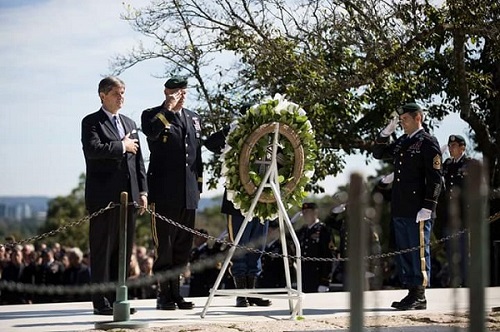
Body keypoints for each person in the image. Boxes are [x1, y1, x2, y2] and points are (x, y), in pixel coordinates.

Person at [81, 76, 148, 315]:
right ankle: (101, 302)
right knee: (102, 250)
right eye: (117, 93)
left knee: (123, 250)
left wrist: (142, 191)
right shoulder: (91, 122)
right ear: (103, 95)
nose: (122, 98)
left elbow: (139, 161)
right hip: (104, 199)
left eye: (123, 93)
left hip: (128, 198)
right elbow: (93, 150)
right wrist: (122, 146)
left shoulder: (129, 122)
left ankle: (119, 298)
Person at [372, 102, 442, 310]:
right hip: (401, 205)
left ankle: (420, 294)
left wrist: (428, 206)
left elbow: (436, 178)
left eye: (405, 120)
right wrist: (385, 133)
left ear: (418, 117)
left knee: (418, 251)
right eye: (400, 120)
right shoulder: (404, 141)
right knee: (404, 251)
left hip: (419, 208)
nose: (402, 123)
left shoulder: (427, 142)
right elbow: (378, 153)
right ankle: (411, 292)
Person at [141, 76, 203, 310]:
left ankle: (176, 293)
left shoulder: (194, 118)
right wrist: (167, 108)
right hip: (163, 193)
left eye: (184, 91)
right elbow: (152, 134)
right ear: (167, 92)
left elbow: (197, 157)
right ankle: (164, 294)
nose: (182, 95)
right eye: (177, 91)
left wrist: (197, 187)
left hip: (188, 193)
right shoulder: (152, 114)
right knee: (164, 247)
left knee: (182, 246)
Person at [204, 110, 272, 307]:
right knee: (240, 248)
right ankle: (242, 293)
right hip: (238, 201)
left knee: (257, 248)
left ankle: (253, 291)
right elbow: (210, 143)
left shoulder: (269, 139)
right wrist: (233, 130)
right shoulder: (236, 134)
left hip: (262, 200)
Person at [437, 134, 473, 287]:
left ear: (462, 148)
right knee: (451, 251)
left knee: (464, 251)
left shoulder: (469, 164)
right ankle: (454, 279)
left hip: (464, 216)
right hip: (449, 216)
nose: (451, 148)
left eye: (454, 146)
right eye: (450, 146)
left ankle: (465, 281)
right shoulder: (447, 164)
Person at [296, 202, 334, 293]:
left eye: (308, 212)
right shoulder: (303, 230)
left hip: (318, 276)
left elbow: (328, 255)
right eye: (303, 212)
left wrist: (325, 281)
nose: (305, 214)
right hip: (304, 277)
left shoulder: (323, 230)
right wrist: (292, 222)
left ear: (315, 212)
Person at [188, 229, 219, 297]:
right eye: (194, 237)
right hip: (194, 285)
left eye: (197, 237)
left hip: (204, 285)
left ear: (204, 238)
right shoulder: (193, 252)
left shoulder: (209, 252)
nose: (195, 239)